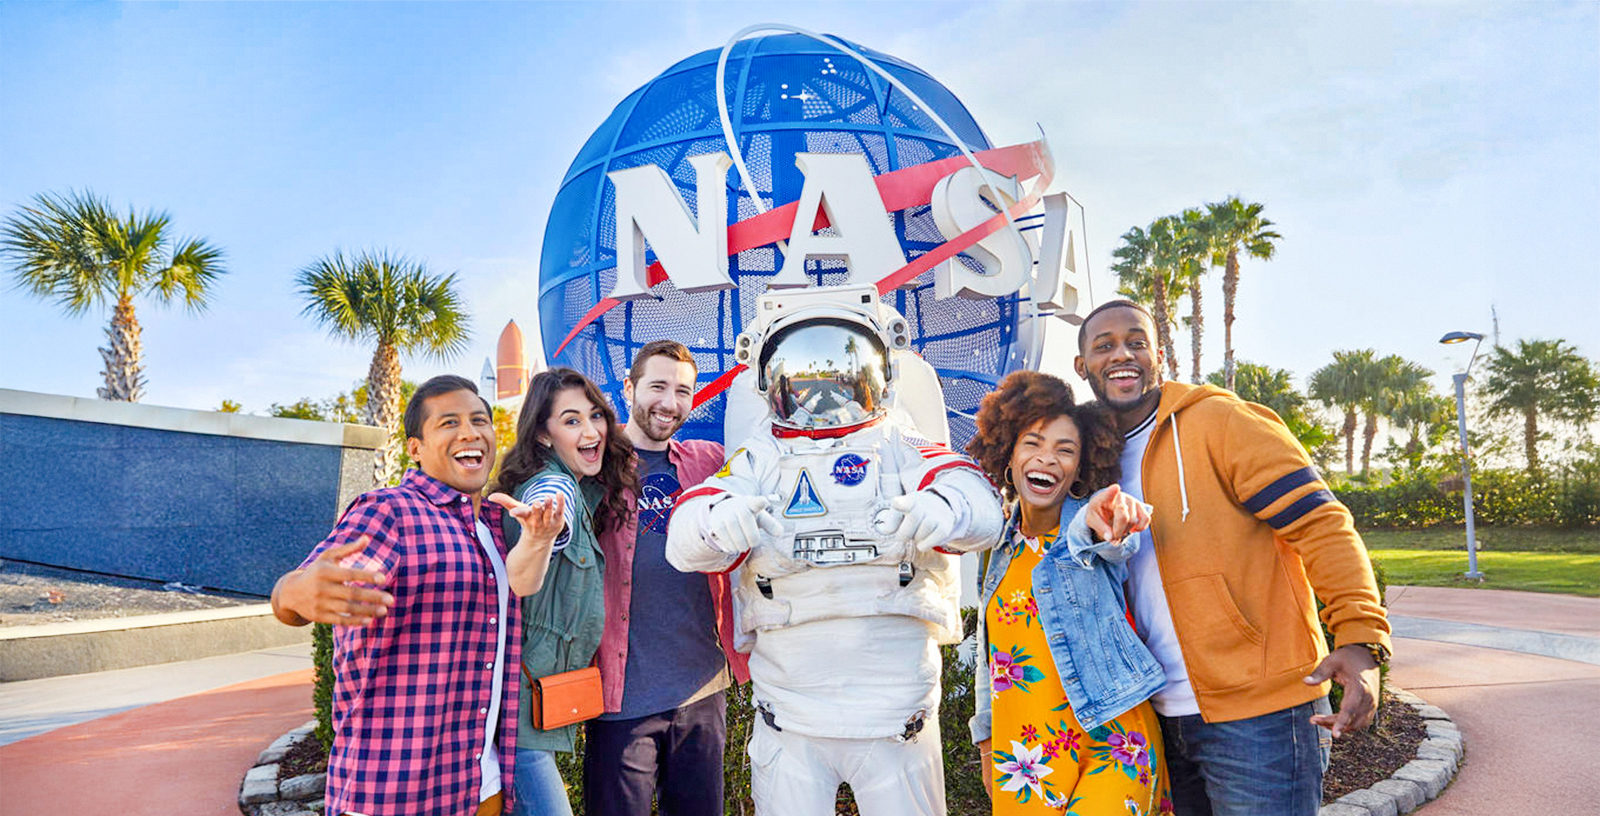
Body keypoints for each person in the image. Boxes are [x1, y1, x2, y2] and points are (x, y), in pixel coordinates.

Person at [667, 285, 1004, 816]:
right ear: (773, 383)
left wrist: (946, 510)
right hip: (791, 711)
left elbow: (976, 497)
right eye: (805, 381)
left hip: (895, 714)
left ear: (878, 377)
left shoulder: (901, 442)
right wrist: (715, 524)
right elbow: (687, 528)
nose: (824, 400)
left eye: (840, 378)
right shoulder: (761, 455)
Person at [1073, 300, 1392, 816]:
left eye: (1136, 341)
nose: (1122, 354)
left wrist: (1360, 641)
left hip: (1260, 713)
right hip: (1154, 715)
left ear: (1159, 353)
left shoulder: (1220, 421)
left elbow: (1321, 525)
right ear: (1082, 365)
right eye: (1104, 346)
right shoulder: (1087, 458)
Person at [270, 375, 567, 816]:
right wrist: (294, 592)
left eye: (479, 420)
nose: (469, 432)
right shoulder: (389, 511)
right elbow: (303, 589)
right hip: (394, 792)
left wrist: (540, 538)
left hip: (480, 786)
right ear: (415, 448)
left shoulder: (495, 524)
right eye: (449, 423)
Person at [966, 370, 1171, 814]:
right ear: (1009, 453)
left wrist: (1110, 518)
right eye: (1033, 443)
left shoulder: (1085, 529)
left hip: (1113, 739)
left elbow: (1105, 540)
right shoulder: (997, 546)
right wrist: (986, 742)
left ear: (1080, 467)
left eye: (1065, 450)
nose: (1047, 459)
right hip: (1024, 757)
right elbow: (988, 658)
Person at [583, 340, 752, 816]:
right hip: (622, 696)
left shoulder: (710, 462)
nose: (670, 403)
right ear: (629, 388)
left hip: (702, 690)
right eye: (657, 386)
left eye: (683, 391)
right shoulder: (593, 466)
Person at [488, 367, 639, 816]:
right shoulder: (553, 488)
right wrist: (542, 529)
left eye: (595, 416)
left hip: (537, 712)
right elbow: (550, 512)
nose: (591, 430)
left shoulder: (584, 488)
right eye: (571, 421)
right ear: (543, 436)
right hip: (518, 721)